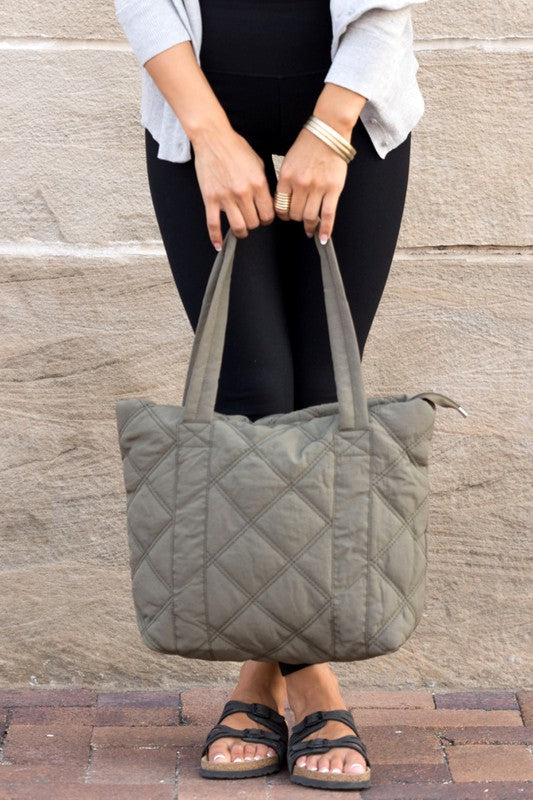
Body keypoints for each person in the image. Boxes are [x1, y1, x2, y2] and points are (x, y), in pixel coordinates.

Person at [114, 0, 428, 790]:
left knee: (323, 393)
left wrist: (329, 131)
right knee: (250, 393)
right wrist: (213, 139)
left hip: (350, 113)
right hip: (200, 115)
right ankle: (313, 682)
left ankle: (263, 680)